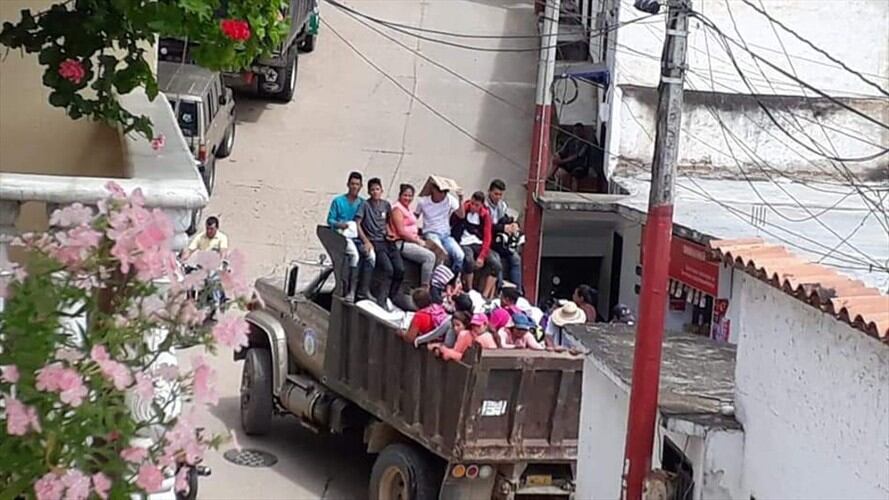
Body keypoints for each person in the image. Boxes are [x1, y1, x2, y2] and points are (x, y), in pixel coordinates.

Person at [355, 178, 405, 310]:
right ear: (369, 191)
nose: (375, 192)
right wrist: (366, 241)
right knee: (388, 269)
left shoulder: (385, 205)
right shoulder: (365, 205)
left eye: (377, 189)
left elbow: (388, 223)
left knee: (400, 269)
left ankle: (392, 295)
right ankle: (381, 299)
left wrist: (390, 233)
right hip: (375, 241)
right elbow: (358, 224)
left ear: (381, 190)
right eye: (372, 189)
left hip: (387, 241)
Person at [451, 191, 500, 298]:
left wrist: (482, 256)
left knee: (496, 264)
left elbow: (487, 236)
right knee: (468, 260)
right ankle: (469, 290)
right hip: (463, 242)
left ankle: (485, 295)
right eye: (472, 203)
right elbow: (454, 219)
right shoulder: (464, 209)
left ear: (481, 205)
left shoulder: (485, 216)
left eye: (476, 205)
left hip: (478, 242)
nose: (473, 207)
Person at [389, 184, 437, 288]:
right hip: (402, 242)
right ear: (400, 195)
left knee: (438, 251)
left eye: (410, 196)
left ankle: (436, 286)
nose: (408, 198)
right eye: (405, 195)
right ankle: (424, 287)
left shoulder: (408, 209)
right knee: (430, 257)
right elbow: (401, 231)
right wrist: (418, 242)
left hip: (414, 239)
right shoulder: (397, 209)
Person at [327, 172, 365, 301]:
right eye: (352, 184)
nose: (355, 187)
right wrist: (340, 224)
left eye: (357, 184)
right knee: (354, 255)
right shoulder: (338, 201)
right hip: (342, 236)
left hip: (357, 236)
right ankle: (351, 289)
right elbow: (330, 220)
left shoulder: (362, 203)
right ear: (348, 184)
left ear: (361, 186)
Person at [415, 180, 465, 275]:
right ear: (433, 190)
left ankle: (451, 280)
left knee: (460, 256)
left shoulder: (449, 199)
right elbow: (415, 217)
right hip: (431, 233)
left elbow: (461, 215)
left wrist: (461, 199)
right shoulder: (423, 201)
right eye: (441, 192)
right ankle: (436, 280)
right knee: (441, 254)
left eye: (445, 192)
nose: (443, 195)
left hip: (446, 235)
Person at [485, 179, 523, 294]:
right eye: (496, 194)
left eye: (500, 194)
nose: (498, 197)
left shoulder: (502, 205)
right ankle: (500, 290)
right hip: (489, 241)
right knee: (497, 261)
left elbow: (506, 218)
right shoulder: (485, 206)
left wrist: (513, 225)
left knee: (516, 258)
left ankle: (518, 291)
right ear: (489, 192)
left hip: (501, 241)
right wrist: (503, 228)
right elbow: (487, 226)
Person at [433, 312, 498, 362]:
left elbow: (466, 358)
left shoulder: (484, 337)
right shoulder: (472, 335)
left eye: (478, 325)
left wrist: (445, 351)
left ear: (485, 325)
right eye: (473, 325)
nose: (475, 328)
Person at [551, 123, 591, 191]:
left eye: (579, 131)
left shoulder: (586, 143)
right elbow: (561, 152)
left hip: (580, 166)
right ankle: (552, 182)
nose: (577, 133)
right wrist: (556, 156)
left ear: (582, 131)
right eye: (575, 131)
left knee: (574, 176)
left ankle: (573, 193)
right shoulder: (570, 141)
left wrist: (562, 161)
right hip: (568, 165)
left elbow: (577, 156)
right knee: (558, 171)